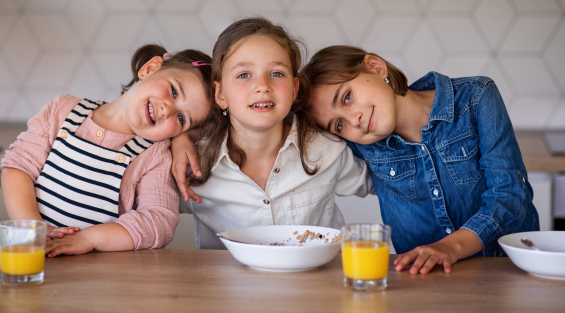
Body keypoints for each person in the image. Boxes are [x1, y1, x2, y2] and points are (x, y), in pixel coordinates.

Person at [301, 45, 540, 274]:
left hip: (508, 272)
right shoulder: (361, 145)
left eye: (346, 98)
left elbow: (510, 197)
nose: (354, 120)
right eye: (339, 124)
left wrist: (449, 247)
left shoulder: (476, 97)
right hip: (427, 283)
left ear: (376, 67)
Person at [171, 18, 372, 249]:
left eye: (276, 73)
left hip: (315, 284)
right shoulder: (192, 164)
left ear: (295, 89)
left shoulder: (328, 150)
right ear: (220, 94)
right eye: (244, 75)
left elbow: (391, 184)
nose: (263, 85)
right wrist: (180, 137)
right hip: (224, 286)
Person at [1, 45, 213, 257]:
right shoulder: (62, 111)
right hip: (30, 256)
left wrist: (88, 239)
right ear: (150, 69)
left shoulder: (155, 156)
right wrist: (34, 230)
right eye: (174, 91)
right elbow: (17, 168)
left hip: (96, 274)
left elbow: (159, 221)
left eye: (182, 118)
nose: (169, 110)